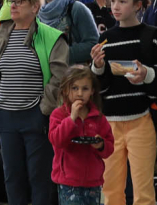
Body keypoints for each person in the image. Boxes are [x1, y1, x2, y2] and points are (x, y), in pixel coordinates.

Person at [90, 0, 157, 205]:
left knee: (143, 189)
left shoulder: (153, 35)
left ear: (137, 5)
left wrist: (147, 74)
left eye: (122, 1)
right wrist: (97, 68)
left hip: (142, 120)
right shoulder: (106, 39)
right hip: (110, 122)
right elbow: (101, 89)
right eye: (113, 1)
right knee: (111, 188)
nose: (115, 6)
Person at [0, 0, 71, 205]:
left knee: (39, 177)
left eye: (20, 1)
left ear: (35, 7)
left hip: (35, 116)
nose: (13, 5)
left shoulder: (53, 37)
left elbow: (60, 77)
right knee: (12, 176)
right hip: (5, 115)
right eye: (11, 1)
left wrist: (43, 108)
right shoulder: (2, 35)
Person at [49, 68, 114, 205]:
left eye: (85, 89)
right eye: (74, 88)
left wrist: (101, 144)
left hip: (93, 183)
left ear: (92, 91)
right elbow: (56, 140)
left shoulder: (98, 117)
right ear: (65, 90)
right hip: (68, 183)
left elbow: (109, 148)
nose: (79, 93)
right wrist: (71, 118)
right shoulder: (59, 114)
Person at [32, 0, 98, 65]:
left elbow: (93, 44)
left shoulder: (76, 9)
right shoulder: (37, 12)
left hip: (72, 72)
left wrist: (60, 53)